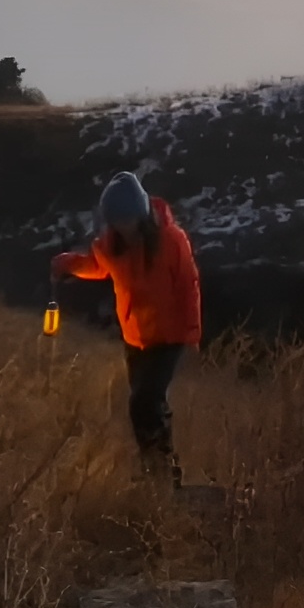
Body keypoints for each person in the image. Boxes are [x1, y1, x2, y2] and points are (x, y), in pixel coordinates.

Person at [51, 171, 201, 486]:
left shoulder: (172, 241)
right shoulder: (111, 246)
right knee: (148, 405)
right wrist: (69, 264)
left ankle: (160, 474)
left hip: (168, 337)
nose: (124, 228)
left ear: (142, 214)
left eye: (128, 221)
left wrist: (191, 333)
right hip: (136, 337)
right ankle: (159, 476)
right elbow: (99, 267)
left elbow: (189, 285)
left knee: (143, 402)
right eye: (118, 222)